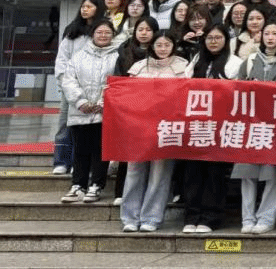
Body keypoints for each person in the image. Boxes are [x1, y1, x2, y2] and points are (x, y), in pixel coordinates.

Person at [121, 30, 191, 232]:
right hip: (139, 128)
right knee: (134, 172)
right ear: (152, 46)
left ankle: (151, 218)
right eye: (159, 45)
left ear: (173, 46)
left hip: (166, 128)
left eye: (167, 45)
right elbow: (127, 95)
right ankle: (129, 218)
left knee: (160, 175)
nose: (162, 49)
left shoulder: (184, 67)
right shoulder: (139, 67)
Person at [232, 20, 276, 234]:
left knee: (273, 175)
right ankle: (247, 218)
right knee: (247, 174)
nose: (270, 37)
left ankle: (266, 218)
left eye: (275, 33)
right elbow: (237, 91)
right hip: (250, 125)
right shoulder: (250, 61)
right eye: (267, 33)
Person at [180, 24, 242, 233]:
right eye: (209, 38)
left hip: (221, 127)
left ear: (226, 40)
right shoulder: (197, 60)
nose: (213, 41)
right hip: (195, 126)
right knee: (192, 173)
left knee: (215, 174)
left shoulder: (235, 62)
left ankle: (210, 217)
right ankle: (191, 216)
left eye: (218, 37)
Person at [58, 18, 117, 206]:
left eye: (107, 32)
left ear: (113, 35)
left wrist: (103, 102)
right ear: (92, 34)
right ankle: (78, 185)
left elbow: (117, 82)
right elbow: (68, 80)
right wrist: (80, 101)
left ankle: (96, 185)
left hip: (105, 111)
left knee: (101, 150)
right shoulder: (78, 56)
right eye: (99, 32)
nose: (103, 35)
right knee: (81, 150)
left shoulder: (117, 56)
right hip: (80, 111)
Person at [51, 0, 107, 176]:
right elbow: (62, 60)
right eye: (83, 6)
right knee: (64, 125)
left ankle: (80, 163)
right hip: (70, 88)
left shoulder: (102, 32)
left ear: (98, 8)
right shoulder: (72, 32)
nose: (85, 9)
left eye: (89, 6)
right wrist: (65, 83)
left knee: (86, 129)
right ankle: (61, 161)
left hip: (94, 89)